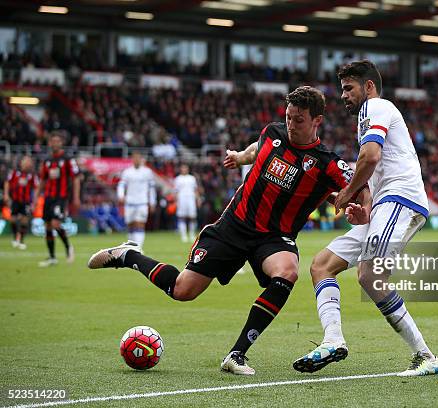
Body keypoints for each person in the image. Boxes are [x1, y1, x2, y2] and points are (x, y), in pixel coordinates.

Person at [87, 86, 360, 375]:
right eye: (289, 117)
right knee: (182, 290)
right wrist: (241, 156)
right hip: (234, 226)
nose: (291, 125)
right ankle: (129, 256)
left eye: (299, 120)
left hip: (274, 237)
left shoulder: (326, 162)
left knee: (287, 271)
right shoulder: (274, 133)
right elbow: (258, 149)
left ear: (317, 120)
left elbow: (353, 187)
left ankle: (236, 354)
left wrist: (357, 207)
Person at [294, 60, 438, 377]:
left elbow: (371, 157)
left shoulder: (374, 107)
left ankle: (425, 356)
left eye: (349, 88)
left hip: (401, 198)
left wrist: (347, 193)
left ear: (369, 86)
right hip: (385, 204)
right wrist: (366, 210)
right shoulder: (370, 116)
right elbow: (378, 167)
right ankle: (333, 339)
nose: (343, 95)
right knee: (322, 266)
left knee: (369, 275)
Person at [35, 132, 80, 267]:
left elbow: (76, 178)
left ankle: (68, 247)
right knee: (47, 225)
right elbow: (43, 180)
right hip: (48, 196)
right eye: (52, 141)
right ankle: (52, 257)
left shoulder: (67, 159)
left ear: (61, 143)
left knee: (55, 223)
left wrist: (76, 197)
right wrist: (36, 196)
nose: (54, 143)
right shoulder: (47, 160)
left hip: (61, 197)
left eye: (57, 141)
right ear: (49, 143)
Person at [117, 152, 156, 249]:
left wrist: (152, 202)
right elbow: (121, 185)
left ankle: (138, 248)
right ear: (132, 159)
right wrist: (121, 196)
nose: (137, 160)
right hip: (129, 202)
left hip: (142, 202)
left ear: (141, 159)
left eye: (138, 158)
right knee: (130, 225)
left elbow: (151, 188)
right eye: (135, 158)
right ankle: (131, 247)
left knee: (140, 224)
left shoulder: (147, 172)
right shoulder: (127, 172)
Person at [4, 156, 37, 250]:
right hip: (15, 200)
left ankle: (21, 241)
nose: (27, 163)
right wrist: (6, 195)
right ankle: (15, 238)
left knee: (24, 221)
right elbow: (7, 182)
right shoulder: (15, 172)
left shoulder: (32, 175)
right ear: (21, 162)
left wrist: (34, 202)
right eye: (26, 161)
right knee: (13, 220)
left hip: (26, 201)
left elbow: (35, 188)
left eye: (29, 162)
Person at [174, 164, 200, 242]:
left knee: (192, 217)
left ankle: (192, 234)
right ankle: (184, 235)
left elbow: (195, 190)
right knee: (182, 217)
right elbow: (176, 191)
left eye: (185, 168)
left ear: (188, 169)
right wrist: (176, 201)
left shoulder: (192, 178)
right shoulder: (178, 179)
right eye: (183, 168)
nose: (184, 170)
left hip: (191, 199)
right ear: (180, 169)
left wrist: (198, 199)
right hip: (181, 199)